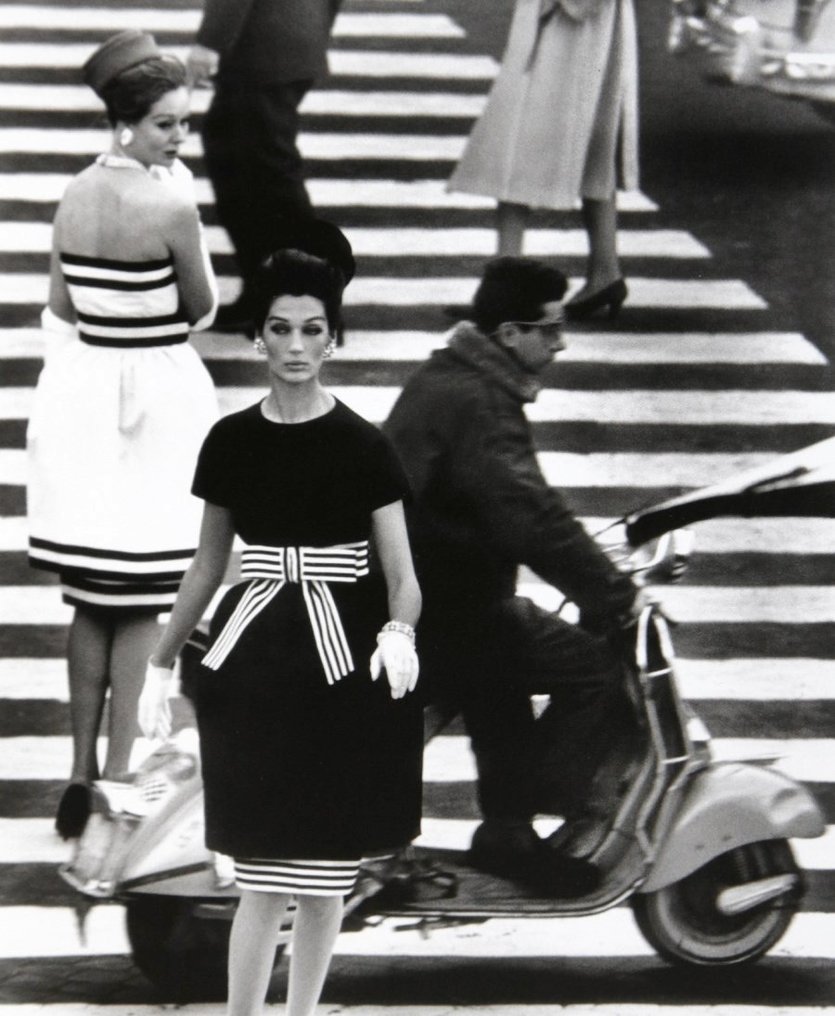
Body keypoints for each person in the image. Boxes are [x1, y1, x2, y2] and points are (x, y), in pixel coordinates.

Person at [137, 223, 423, 1016]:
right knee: (262, 877)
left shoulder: (365, 446)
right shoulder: (230, 441)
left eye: (311, 330)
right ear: (258, 337)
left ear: (333, 340)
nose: (294, 346)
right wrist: (161, 663)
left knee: (326, 875)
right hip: (254, 666)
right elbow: (206, 564)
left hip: (339, 673)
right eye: (279, 329)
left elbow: (401, 575)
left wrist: (398, 632)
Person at [383, 256, 642, 896]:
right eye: (549, 330)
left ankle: (510, 828)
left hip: (427, 593)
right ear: (509, 335)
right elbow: (528, 512)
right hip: (442, 605)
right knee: (591, 669)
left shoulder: (447, 377)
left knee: (501, 676)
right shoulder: (481, 403)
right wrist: (613, 594)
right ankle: (531, 812)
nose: (560, 343)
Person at [26, 30, 219, 840]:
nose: (182, 137)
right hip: (155, 401)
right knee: (143, 597)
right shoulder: (171, 203)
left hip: (83, 396)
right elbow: (202, 305)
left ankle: (77, 771)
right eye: (169, 124)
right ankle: (114, 784)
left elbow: (63, 305)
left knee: (92, 600)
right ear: (127, 124)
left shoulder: (75, 193)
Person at [447, 0, 639, 320]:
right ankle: (605, 271)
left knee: (520, 140)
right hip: (584, 25)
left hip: (569, 26)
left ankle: (504, 288)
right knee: (592, 144)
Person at [187, 0, 344, 333]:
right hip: (291, 38)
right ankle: (269, 291)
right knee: (241, 159)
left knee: (267, 170)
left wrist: (211, 41)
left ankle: (312, 299)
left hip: (263, 47)